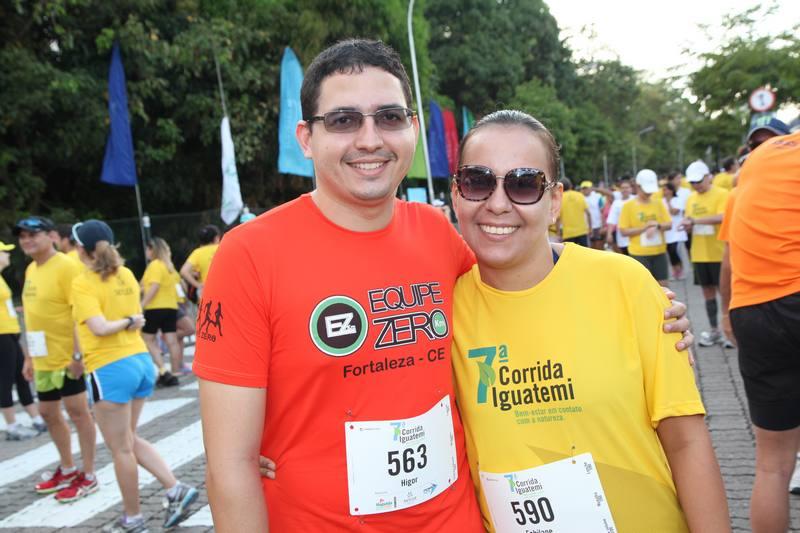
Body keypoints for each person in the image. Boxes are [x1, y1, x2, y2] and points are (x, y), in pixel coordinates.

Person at [198, 39, 694, 532]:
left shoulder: (438, 235)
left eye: (389, 117)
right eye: (344, 120)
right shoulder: (249, 255)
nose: (369, 139)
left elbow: (521, 282)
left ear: (412, 129)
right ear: (307, 137)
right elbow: (230, 467)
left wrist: (644, 312)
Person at [449, 109, 729, 532]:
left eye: (524, 184)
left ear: (554, 201)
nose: (498, 203)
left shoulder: (625, 283)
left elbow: (687, 442)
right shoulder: (443, 312)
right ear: (457, 194)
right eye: (478, 181)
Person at [70, 220, 198, 532]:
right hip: (139, 361)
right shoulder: (126, 274)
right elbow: (136, 318)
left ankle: (133, 518)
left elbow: (99, 327)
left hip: (109, 367)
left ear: (82, 250)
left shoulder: (83, 282)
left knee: (121, 448)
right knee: (128, 438)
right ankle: (175, 488)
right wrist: (130, 320)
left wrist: (126, 321)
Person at [718, 129, 800, 532]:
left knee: (772, 465)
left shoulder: (761, 161)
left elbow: (729, 257)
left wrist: (726, 313)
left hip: (754, 311)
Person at [14, 216, 98, 502]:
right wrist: (28, 357)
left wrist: (78, 354)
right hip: (42, 358)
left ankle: (89, 473)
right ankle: (68, 468)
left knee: (78, 412)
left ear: (51, 236)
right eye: (22, 236)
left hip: (67, 357)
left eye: (32, 235)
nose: (27, 240)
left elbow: (78, 312)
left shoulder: (67, 266)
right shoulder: (31, 269)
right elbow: (32, 316)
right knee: (48, 413)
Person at [680, 160, 732, 348]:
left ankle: (730, 331)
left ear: (708, 177)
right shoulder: (691, 198)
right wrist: (687, 225)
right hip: (699, 253)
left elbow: (722, 217)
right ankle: (714, 331)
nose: (696, 185)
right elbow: (689, 219)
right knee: (707, 293)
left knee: (725, 293)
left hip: (719, 252)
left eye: (699, 181)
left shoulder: (722, 194)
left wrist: (694, 221)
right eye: (692, 182)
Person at [0, 240, 46, 440]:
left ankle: (36, 418)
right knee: (6, 379)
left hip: (10, 332)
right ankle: (12, 425)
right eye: (4, 252)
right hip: (2, 334)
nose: (8, 255)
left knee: (21, 375)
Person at [618, 169, 672, 285]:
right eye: (646, 191)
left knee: (663, 287)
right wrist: (644, 228)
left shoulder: (658, 203)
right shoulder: (628, 206)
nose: (649, 193)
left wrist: (657, 226)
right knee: (643, 286)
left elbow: (669, 224)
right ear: (637, 186)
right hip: (639, 254)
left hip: (659, 252)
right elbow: (623, 231)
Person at [140, 238, 181, 385]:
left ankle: (163, 370)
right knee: (172, 341)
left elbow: (154, 286)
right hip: (171, 306)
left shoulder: (155, 265)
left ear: (152, 250)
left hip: (155, 307)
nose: (146, 252)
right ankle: (175, 372)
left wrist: (142, 304)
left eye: (147, 249)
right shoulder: (170, 267)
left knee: (147, 339)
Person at [180, 224, 220, 300]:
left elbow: (184, 271)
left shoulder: (198, 253)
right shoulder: (222, 248)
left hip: (207, 293)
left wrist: (198, 285)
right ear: (216, 238)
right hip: (225, 290)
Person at [663, 182, 689, 280]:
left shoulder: (678, 200)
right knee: (670, 252)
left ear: (671, 190)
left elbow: (674, 212)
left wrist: (668, 202)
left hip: (677, 230)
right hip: (667, 231)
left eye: (666, 189)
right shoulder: (661, 201)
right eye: (663, 190)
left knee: (675, 250)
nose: (664, 192)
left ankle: (680, 270)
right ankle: (675, 270)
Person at [557, 178, 590, 246]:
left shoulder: (560, 198)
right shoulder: (580, 195)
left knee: (571, 252)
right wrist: (590, 228)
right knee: (584, 252)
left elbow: (558, 219)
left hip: (568, 234)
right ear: (571, 186)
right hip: (582, 231)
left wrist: (558, 233)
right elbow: (588, 213)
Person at [605, 178, 633, 254]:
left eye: (627, 187)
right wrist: (609, 234)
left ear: (631, 189)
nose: (625, 190)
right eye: (623, 188)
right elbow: (612, 220)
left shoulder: (636, 199)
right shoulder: (616, 203)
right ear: (620, 190)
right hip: (622, 238)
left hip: (636, 237)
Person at [579, 180, 604, 249]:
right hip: (584, 227)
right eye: (583, 188)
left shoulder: (598, 196)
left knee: (599, 245)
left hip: (597, 225)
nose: (585, 190)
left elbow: (602, 211)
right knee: (589, 247)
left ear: (591, 188)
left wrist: (603, 225)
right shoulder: (579, 197)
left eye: (587, 188)